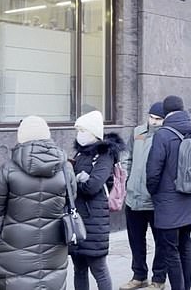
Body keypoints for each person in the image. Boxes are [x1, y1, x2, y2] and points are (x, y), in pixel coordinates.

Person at [0, 116, 74, 290]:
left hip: (15, 246)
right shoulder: (65, 167)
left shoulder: (8, 168)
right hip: (54, 245)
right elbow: (71, 199)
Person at [146, 96, 191, 290]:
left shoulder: (163, 134)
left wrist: (153, 192)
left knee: (170, 250)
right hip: (188, 196)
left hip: (168, 201)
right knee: (185, 245)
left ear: (165, 112)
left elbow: (153, 171)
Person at [71, 110, 126, 290]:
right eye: (78, 130)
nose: (80, 134)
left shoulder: (104, 155)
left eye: (83, 130)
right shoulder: (80, 154)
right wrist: (78, 179)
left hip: (94, 221)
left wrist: (75, 181)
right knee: (79, 269)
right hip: (76, 220)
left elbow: (92, 186)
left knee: (99, 269)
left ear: (94, 133)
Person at [121, 102, 167, 290]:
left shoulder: (165, 136)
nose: (154, 122)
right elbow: (128, 156)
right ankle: (139, 275)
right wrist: (127, 180)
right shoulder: (138, 132)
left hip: (154, 200)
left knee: (161, 242)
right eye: (151, 117)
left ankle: (159, 279)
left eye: (158, 119)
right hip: (133, 197)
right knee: (136, 240)